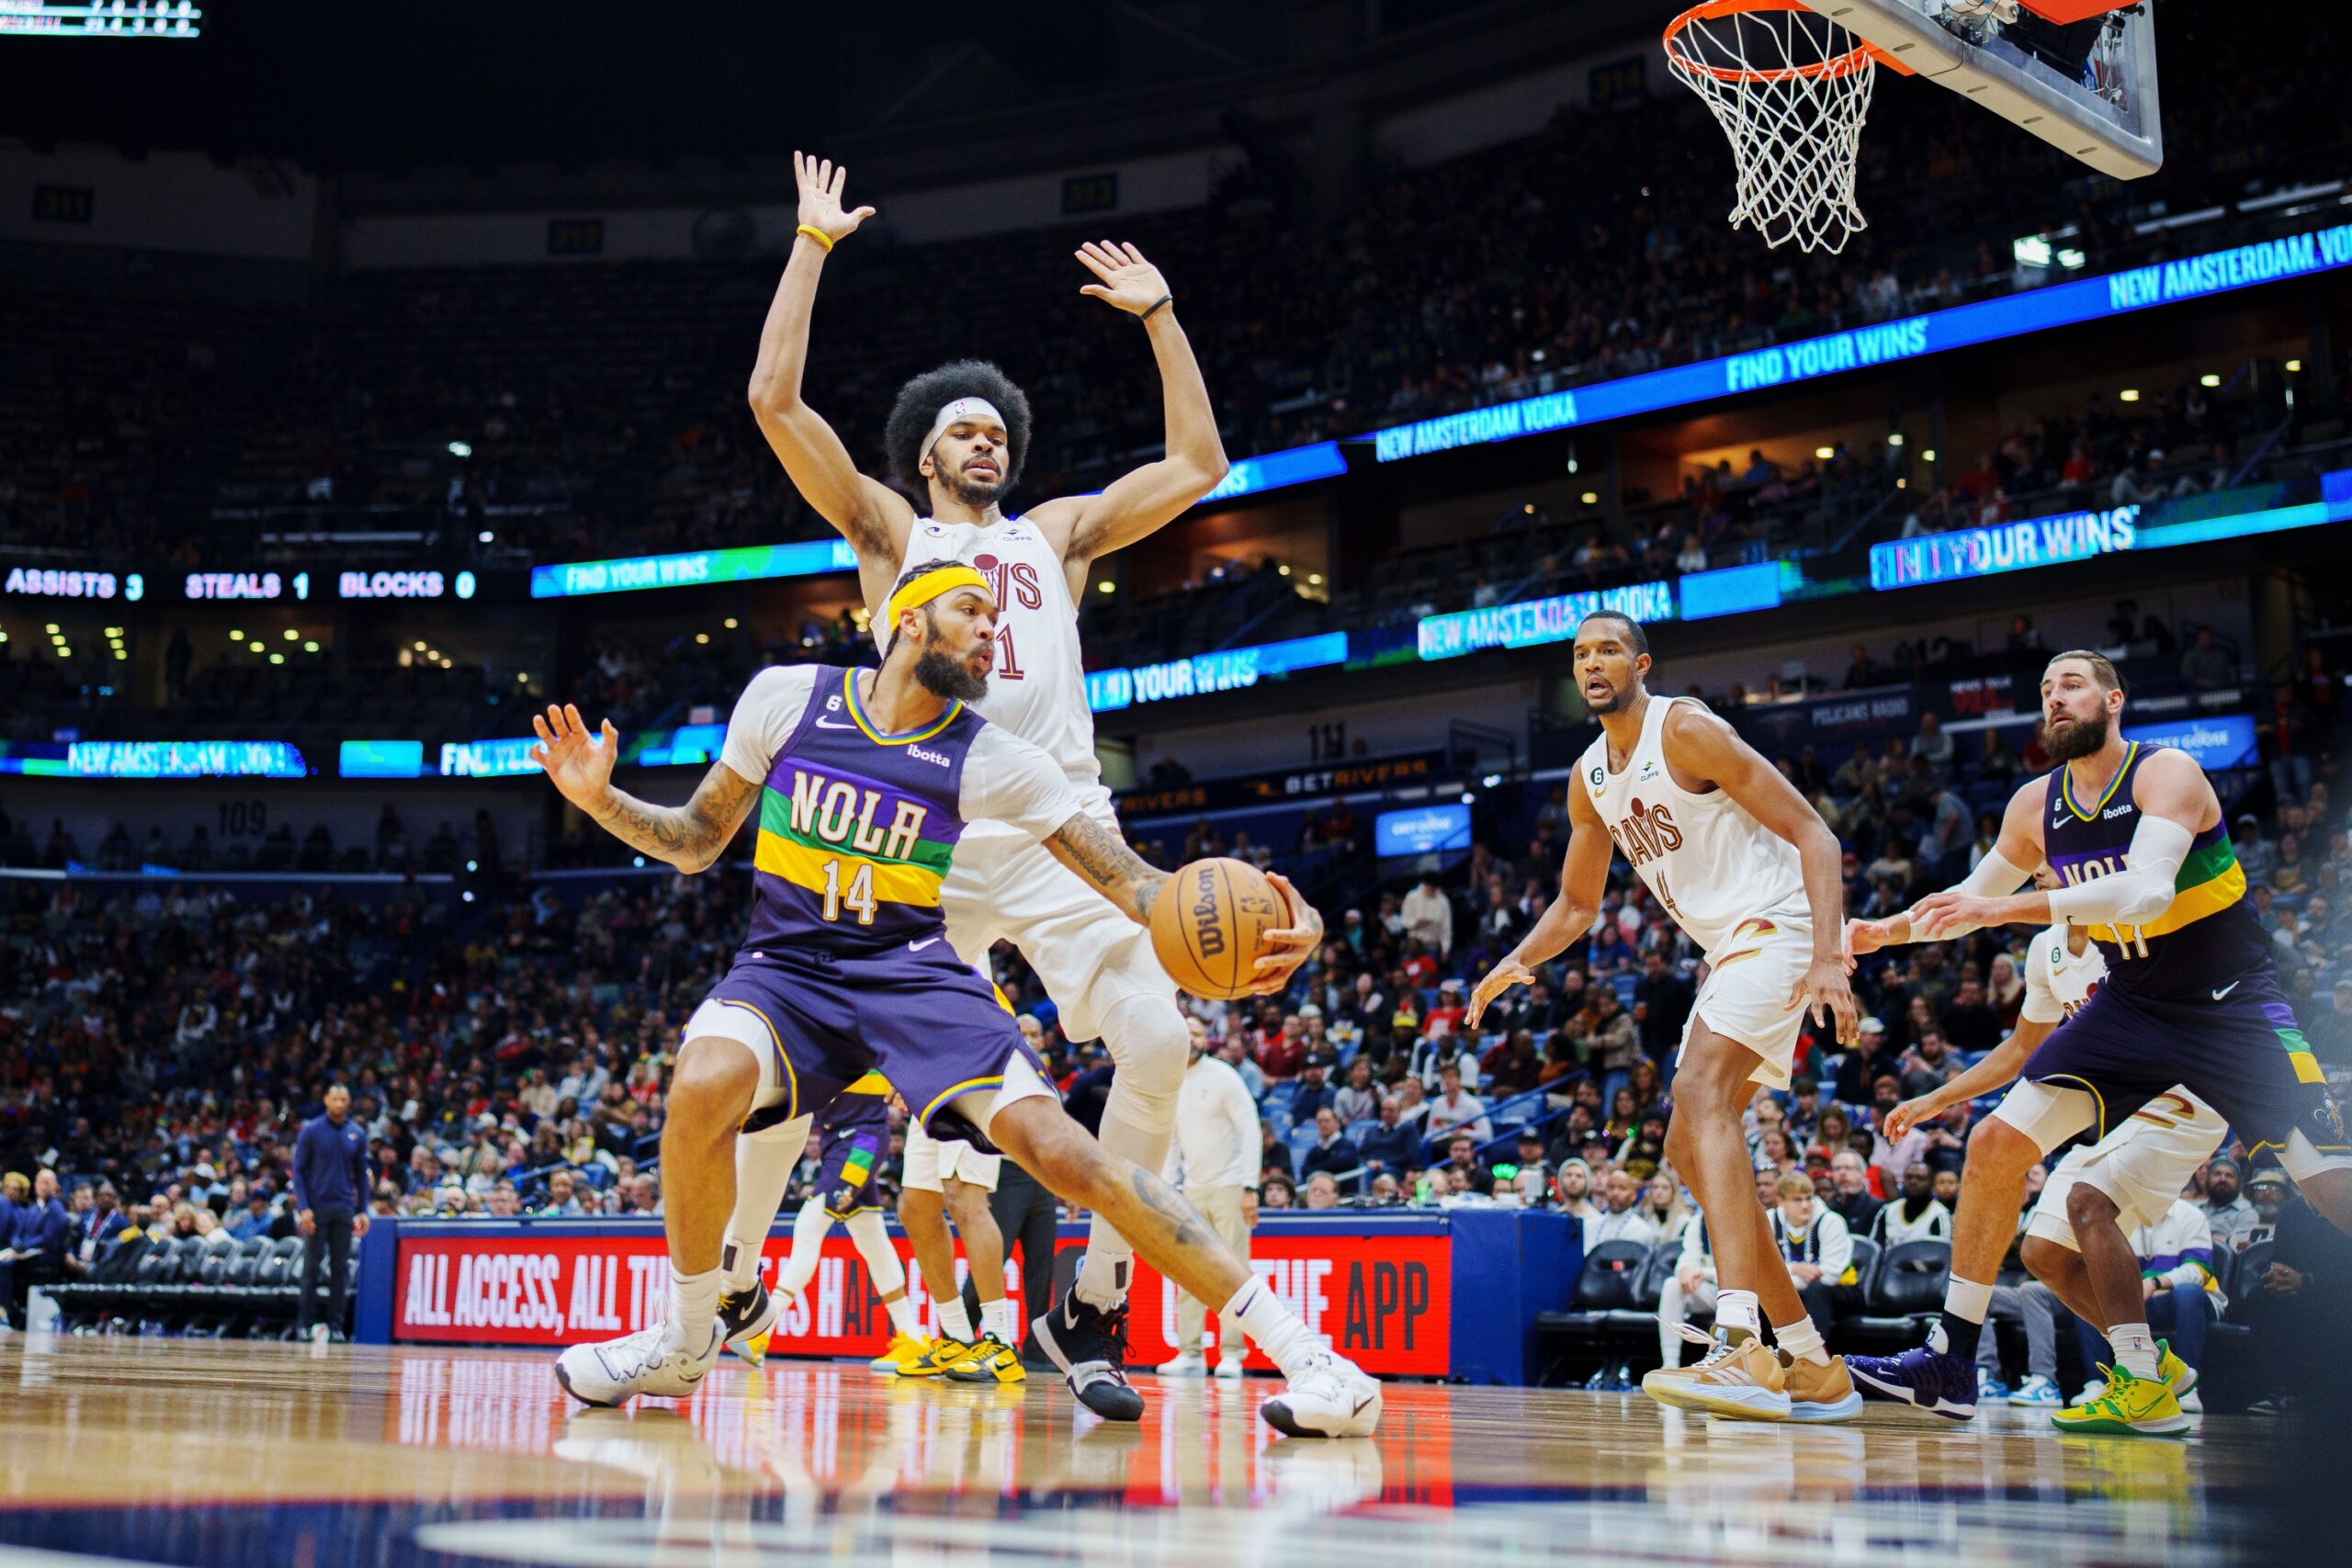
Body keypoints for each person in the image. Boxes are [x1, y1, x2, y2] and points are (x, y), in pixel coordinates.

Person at [530, 562, 1374, 1435]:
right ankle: (687, 1335)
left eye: (996, 620)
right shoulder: (786, 698)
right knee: (701, 1079)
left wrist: (1283, 915)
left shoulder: (993, 756)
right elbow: (696, 839)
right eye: (971, 610)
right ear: (906, 621)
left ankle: (1316, 1358)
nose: (989, 633)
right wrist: (599, 799)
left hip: (912, 972)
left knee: (1066, 1155)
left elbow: (1140, 888)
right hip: (788, 967)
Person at [747, 152, 1279, 1425]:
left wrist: (1161, 316)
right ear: (923, 454)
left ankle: (1090, 1296)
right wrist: (813, 246)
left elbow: (1199, 461)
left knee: (1157, 1041)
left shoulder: (1058, 534)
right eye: (962, 428)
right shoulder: (889, 535)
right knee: (796, 1065)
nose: (983, 436)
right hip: (914, 828)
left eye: (998, 428)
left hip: (1058, 830)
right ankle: (719, 1282)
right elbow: (774, 399)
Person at [1845, 649, 2351, 1433]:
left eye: (2070, 683)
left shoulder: (2167, 772)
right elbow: (1966, 899)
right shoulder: (2030, 806)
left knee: (2330, 1188)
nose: (2054, 697)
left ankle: (2146, 1373)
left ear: (2113, 700)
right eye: (2044, 688)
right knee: (1993, 1145)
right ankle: (1952, 1357)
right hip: (2134, 1004)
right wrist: (1884, 931)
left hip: (2231, 1006)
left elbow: (2145, 893)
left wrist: (2002, 913)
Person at [1471, 611, 1861, 1423]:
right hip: (1730, 952)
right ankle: (1813, 1361)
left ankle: (1737, 1344)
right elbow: (1579, 903)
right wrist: (1516, 960)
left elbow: (1815, 835)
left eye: (1608, 649)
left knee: (1697, 1093)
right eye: (1579, 654)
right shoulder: (1590, 776)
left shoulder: (1685, 728)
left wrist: (1830, 955)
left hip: (1781, 925)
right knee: (1688, 1148)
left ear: (1641, 662)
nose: (1592, 663)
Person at [744, 1078, 935, 1375]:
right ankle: (911, 1335)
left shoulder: (865, 1033)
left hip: (862, 1141)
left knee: (810, 1224)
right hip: (840, 1140)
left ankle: (763, 1327)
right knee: (872, 1237)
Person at [1157, 1021, 1260, 1379]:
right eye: (1185, 1033)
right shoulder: (1169, 1079)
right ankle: (1191, 1352)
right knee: (1189, 1270)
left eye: (1197, 1033)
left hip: (1231, 1185)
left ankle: (1232, 1352)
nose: (1191, 1039)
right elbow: (1170, 1140)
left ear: (1208, 1039)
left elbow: (1250, 1129)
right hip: (1192, 1190)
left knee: (1233, 1270)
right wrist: (1170, 1188)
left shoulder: (1224, 1075)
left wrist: (1250, 1186)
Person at [894, 1113, 1023, 1383]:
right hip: (928, 1090)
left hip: (971, 1080)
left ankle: (1001, 1340)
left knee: (964, 1196)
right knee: (914, 1207)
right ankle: (957, 1337)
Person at [2067, 1196, 2222, 1416]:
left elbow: (2200, 1271)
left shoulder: (2190, 1215)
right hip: (2140, 1302)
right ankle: (2096, 1382)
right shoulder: (2118, 1219)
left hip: (2185, 1299)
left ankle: (2188, 1387)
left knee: (2188, 1293)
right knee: (2091, 1294)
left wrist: (2154, 1283)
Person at [290, 1086, 370, 1344]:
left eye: (344, 1099)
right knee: (311, 1269)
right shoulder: (312, 1130)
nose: (339, 1103)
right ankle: (304, 1325)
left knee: (340, 1269)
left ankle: (336, 1327)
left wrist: (364, 1210)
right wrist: (304, 1208)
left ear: (349, 1102)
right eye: (335, 1098)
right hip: (316, 1207)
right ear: (326, 1100)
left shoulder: (357, 1133)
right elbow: (299, 1172)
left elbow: (361, 1175)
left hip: (344, 1207)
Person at [1769, 1171, 1860, 1345]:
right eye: (1797, 1200)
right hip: (1797, 1289)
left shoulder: (1831, 1221)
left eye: (1809, 1198)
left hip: (1842, 1290)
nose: (1805, 1205)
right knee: (1764, 1295)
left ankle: (1813, 1356)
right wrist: (1794, 1269)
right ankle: (1765, 1355)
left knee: (1817, 1290)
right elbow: (1760, 1271)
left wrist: (1780, 1280)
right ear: (1781, 1201)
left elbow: (1830, 1276)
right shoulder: (1769, 1220)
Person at [0, 1169, 67, 1330]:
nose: (43, 1187)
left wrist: (25, 1247)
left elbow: (48, 1238)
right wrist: (16, 1243)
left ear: (55, 1186)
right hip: (27, 1253)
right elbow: (18, 1232)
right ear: (35, 1185)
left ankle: (4, 1312)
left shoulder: (56, 1209)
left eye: (47, 1183)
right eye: (40, 1183)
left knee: (6, 1266)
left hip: (47, 1256)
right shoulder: (32, 1208)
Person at [1869, 1163, 1952, 1247]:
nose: (1913, 1182)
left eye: (1920, 1178)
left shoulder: (1940, 1215)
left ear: (1932, 1185)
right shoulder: (1888, 1210)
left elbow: (1943, 1254)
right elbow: (1874, 1248)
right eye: (1909, 1177)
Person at [2199, 1156, 2261, 1254]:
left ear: (2238, 1183)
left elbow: (2237, 1246)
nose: (2222, 1179)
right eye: (2217, 1174)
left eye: (2229, 1175)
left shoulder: (2247, 1213)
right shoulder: (2196, 1210)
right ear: (2207, 1179)